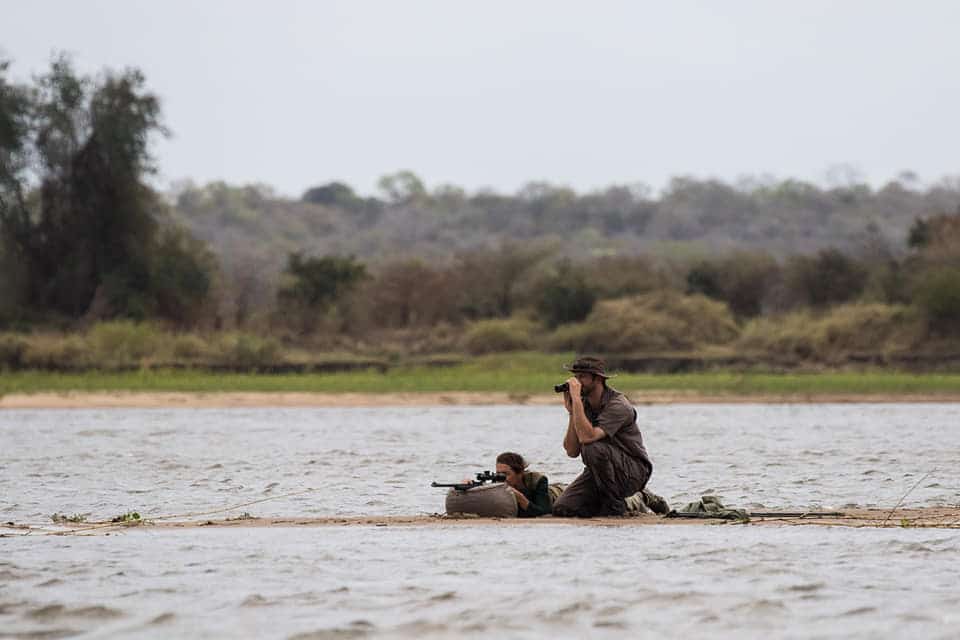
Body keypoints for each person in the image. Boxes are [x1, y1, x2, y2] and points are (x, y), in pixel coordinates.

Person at [552, 356, 654, 517]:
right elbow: (572, 451)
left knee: (592, 448)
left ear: (598, 379)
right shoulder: (583, 404)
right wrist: (572, 411)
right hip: (600, 472)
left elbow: (588, 438)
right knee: (563, 509)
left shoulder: (618, 405)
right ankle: (628, 503)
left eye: (582, 377)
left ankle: (618, 504)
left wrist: (577, 401)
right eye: (575, 377)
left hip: (632, 470)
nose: (577, 382)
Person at [495, 451, 562, 518]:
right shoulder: (497, 484)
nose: (501, 478)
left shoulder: (537, 481)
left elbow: (544, 512)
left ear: (520, 473)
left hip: (558, 494)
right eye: (498, 474)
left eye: (506, 474)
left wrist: (520, 498)